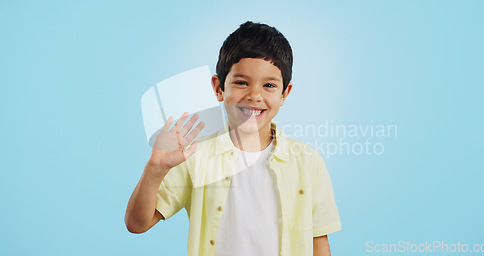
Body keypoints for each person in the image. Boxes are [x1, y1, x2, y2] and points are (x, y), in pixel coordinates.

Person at [125, 21, 341, 256]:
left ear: (284, 94)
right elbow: (137, 224)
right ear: (218, 88)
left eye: (269, 85)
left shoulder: (308, 161)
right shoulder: (195, 155)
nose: (254, 95)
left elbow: (318, 243)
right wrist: (155, 168)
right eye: (241, 82)